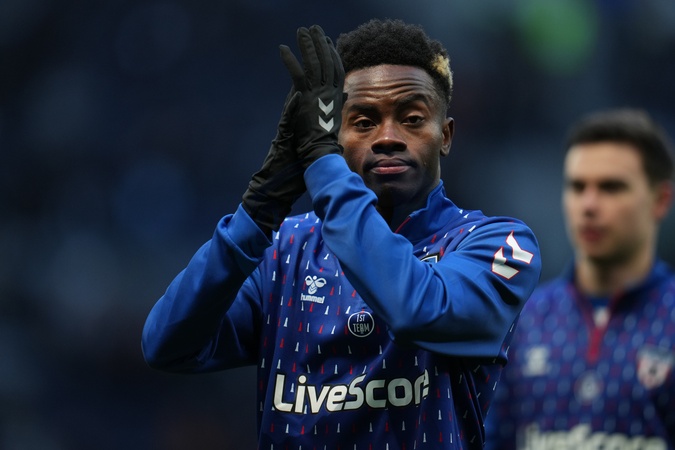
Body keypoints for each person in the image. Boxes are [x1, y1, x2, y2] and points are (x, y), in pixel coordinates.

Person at [142, 19, 541, 449]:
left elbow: (419, 311)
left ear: (444, 135)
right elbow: (166, 344)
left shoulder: (498, 243)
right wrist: (258, 208)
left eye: (411, 119)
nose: (388, 138)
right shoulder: (284, 250)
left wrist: (322, 166)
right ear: (335, 137)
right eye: (364, 122)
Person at [485, 108, 675, 450]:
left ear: (660, 200)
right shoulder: (523, 323)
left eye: (611, 188)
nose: (588, 205)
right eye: (577, 187)